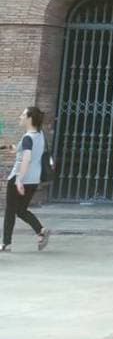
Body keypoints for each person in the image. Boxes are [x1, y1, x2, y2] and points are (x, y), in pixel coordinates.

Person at [2, 106, 50, 253]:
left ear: (30, 118)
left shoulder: (28, 137)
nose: (20, 117)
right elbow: (28, 150)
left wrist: (18, 180)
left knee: (10, 211)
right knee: (21, 210)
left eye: (23, 115)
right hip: (34, 179)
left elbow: (27, 158)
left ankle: (6, 244)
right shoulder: (40, 134)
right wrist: (14, 148)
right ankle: (41, 230)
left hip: (19, 178)